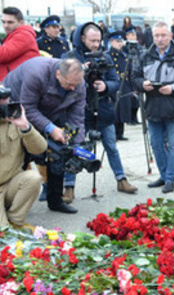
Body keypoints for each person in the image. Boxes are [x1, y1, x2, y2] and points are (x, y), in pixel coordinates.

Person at [62, 23, 138, 198]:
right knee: (74, 148)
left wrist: (105, 86)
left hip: (103, 108)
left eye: (98, 40)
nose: (96, 44)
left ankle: (121, 179)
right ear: (82, 38)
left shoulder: (105, 57)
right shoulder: (70, 57)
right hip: (78, 111)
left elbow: (115, 81)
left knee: (111, 146)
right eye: (92, 40)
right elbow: (62, 81)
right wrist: (81, 71)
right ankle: (69, 187)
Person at [4, 57, 87, 214]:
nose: (72, 88)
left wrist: (77, 143)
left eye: (75, 85)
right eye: (69, 84)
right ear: (58, 74)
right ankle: (10, 203)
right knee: (20, 155)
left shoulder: (78, 83)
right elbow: (27, 108)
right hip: (16, 109)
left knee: (58, 152)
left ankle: (55, 200)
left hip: (49, 110)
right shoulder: (37, 73)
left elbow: (77, 115)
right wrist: (51, 128)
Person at [132, 22, 174, 193]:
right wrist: (142, 84)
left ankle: (170, 179)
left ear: (170, 36)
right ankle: (163, 175)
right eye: (156, 36)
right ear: (152, 37)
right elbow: (134, 77)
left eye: (163, 35)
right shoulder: (146, 56)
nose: (160, 39)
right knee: (156, 144)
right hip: (153, 108)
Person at [0, 101, 46, 230]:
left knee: (33, 178)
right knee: (3, 233)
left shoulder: (14, 121)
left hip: (10, 183)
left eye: (6, 102)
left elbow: (40, 149)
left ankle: (15, 220)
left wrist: (25, 127)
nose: (4, 107)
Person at [0, 7, 40, 81]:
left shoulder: (24, 35)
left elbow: (3, 54)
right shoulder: (15, 34)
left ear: (21, 22)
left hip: (20, 84)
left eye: (10, 22)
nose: (5, 26)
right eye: (3, 22)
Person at [107, 31, 132, 141]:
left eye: (121, 41)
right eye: (117, 41)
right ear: (111, 42)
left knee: (123, 110)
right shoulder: (108, 55)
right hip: (114, 85)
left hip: (124, 84)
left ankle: (120, 133)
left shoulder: (124, 55)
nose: (120, 43)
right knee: (115, 111)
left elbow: (130, 71)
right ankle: (114, 134)